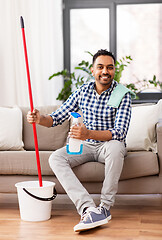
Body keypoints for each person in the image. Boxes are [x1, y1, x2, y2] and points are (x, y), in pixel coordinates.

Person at [27, 49, 132, 232]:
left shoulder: (123, 94)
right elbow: (57, 117)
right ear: (92, 70)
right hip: (85, 145)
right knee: (56, 158)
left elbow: (120, 133)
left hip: (108, 145)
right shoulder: (82, 91)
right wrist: (39, 119)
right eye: (100, 67)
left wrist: (88, 133)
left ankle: (104, 208)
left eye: (109, 67)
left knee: (116, 148)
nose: (105, 71)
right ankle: (87, 208)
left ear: (115, 70)